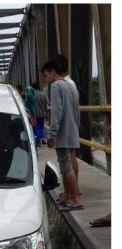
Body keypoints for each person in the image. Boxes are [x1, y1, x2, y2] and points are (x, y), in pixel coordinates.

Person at [42, 60, 82, 210]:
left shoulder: (57, 86)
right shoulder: (70, 86)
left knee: (66, 167)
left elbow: (56, 113)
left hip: (63, 133)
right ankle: (69, 196)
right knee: (67, 165)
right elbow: (76, 111)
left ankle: (75, 199)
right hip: (72, 130)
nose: (46, 79)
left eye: (46, 75)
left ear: (53, 72)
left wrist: (51, 135)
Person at [56, 53, 81, 195]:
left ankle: (73, 192)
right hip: (73, 126)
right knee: (72, 157)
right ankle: (73, 190)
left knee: (70, 160)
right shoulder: (71, 83)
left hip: (68, 128)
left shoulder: (64, 85)